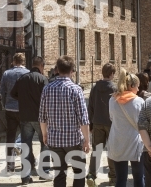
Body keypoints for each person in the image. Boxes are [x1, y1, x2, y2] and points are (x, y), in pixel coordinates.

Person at [39, 56, 90, 187]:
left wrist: (45, 134)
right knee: (79, 171)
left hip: (55, 140)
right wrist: (87, 139)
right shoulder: (76, 89)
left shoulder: (47, 89)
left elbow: (42, 116)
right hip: (73, 139)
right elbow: (83, 118)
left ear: (57, 70)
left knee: (59, 173)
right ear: (72, 70)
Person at [11, 56, 51, 184]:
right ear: (41, 66)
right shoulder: (42, 79)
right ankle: (44, 172)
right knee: (45, 144)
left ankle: (25, 177)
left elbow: (13, 93)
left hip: (25, 117)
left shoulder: (22, 79)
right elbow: (48, 96)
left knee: (26, 146)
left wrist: (23, 100)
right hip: (40, 117)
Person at [108, 68, 145, 187]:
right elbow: (143, 124)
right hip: (134, 142)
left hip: (117, 142)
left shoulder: (112, 100)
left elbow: (112, 118)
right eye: (137, 86)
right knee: (139, 178)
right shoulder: (139, 102)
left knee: (120, 179)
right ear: (132, 86)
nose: (138, 89)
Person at [86, 63, 117, 186]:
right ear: (112, 74)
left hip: (97, 122)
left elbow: (91, 106)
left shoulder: (95, 87)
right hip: (111, 123)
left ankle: (92, 175)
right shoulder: (115, 88)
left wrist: (90, 124)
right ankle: (113, 177)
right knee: (112, 150)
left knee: (96, 150)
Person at [0, 52, 29, 173]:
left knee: (10, 137)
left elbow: (2, 91)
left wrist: (4, 104)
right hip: (24, 108)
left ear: (13, 61)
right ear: (23, 61)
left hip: (10, 108)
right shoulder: (27, 73)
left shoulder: (7, 73)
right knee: (26, 136)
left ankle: (10, 166)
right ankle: (25, 165)